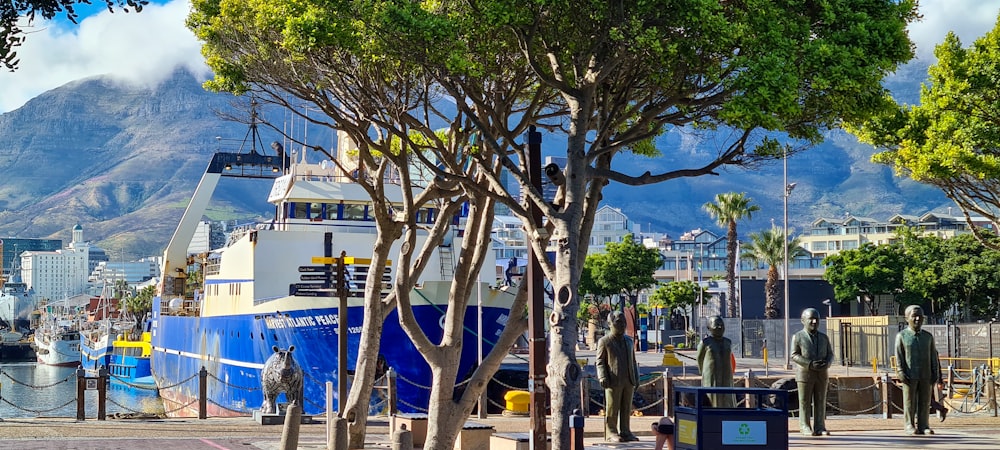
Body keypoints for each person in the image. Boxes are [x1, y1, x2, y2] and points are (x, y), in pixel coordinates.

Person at [895, 304, 941, 435]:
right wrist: (900, 372)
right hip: (910, 375)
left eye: (920, 317)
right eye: (914, 316)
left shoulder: (928, 337)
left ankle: (924, 425)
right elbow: (899, 356)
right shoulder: (902, 336)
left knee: (925, 401)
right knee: (909, 402)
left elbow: (933, 356)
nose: (917, 319)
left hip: (926, 374)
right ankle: (909, 424)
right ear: (907, 318)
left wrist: (935, 372)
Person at [596, 310, 640, 442]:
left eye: (624, 322)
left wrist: (636, 378)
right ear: (610, 324)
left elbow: (633, 361)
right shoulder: (605, 341)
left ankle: (626, 431)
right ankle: (611, 432)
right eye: (618, 322)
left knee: (626, 407)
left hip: (628, 379)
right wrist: (602, 376)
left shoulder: (629, 341)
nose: (622, 325)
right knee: (612, 408)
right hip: (613, 380)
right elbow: (599, 361)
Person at [791, 308, 833, 436]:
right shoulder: (798, 337)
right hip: (805, 374)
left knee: (820, 401)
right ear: (803, 321)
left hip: (821, 374)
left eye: (817, 319)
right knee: (804, 402)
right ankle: (804, 426)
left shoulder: (824, 337)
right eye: (811, 319)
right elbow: (794, 355)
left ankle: (820, 426)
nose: (814, 322)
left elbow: (830, 354)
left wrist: (827, 363)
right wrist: (809, 364)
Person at [697, 315, 734, 408]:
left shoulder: (728, 342)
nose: (720, 327)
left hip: (726, 374)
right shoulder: (705, 342)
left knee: (727, 395)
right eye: (716, 324)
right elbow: (699, 359)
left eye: (722, 324)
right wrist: (704, 373)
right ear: (709, 327)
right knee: (712, 395)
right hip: (711, 374)